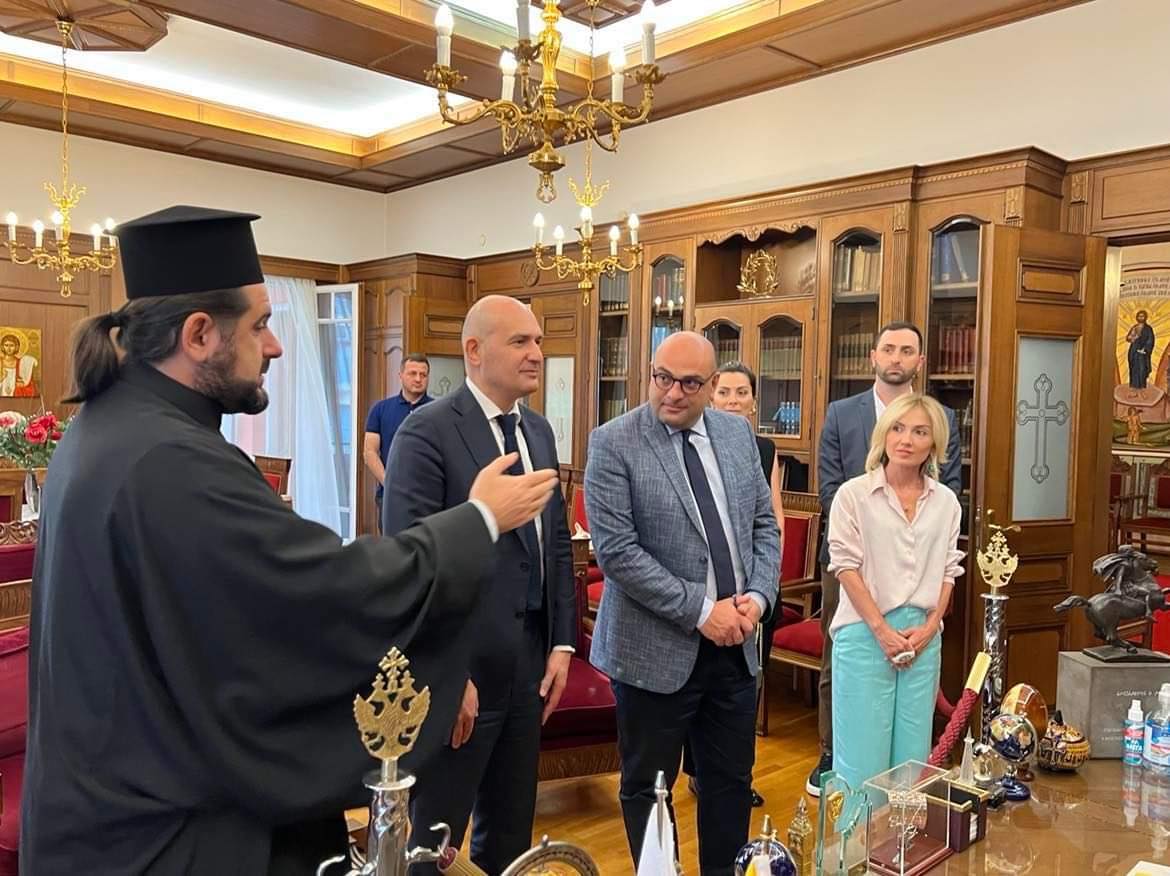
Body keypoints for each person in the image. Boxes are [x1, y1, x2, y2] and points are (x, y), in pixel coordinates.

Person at [19, 206, 560, 876]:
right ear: (198, 334)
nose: (275, 347)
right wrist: (478, 521)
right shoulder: (166, 459)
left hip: (126, 804)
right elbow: (320, 593)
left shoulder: (115, 429)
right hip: (164, 833)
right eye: (261, 325)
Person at [383, 295, 575, 875]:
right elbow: (409, 564)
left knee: (511, 833)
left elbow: (556, 543)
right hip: (462, 670)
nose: (536, 353)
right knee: (435, 841)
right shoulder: (425, 433)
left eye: (538, 341)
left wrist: (562, 643)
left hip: (529, 665)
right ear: (474, 350)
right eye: (520, 342)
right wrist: (446, 673)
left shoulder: (537, 431)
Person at [585, 332, 779, 876]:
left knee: (730, 783)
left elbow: (764, 527)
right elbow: (619, 555)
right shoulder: (613, 442)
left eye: (690, 383)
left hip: (736, 646)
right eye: (662, 378)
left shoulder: (736, 435)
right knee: (649, 788)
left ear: (713, 386)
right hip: (653, 652)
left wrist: (758, 598)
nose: (672, 392)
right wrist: (702, 612)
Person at [812, 321, 961, 797]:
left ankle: (903, 844)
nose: (907, 439)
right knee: (862, 764)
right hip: (865, 625)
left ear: (934, 441)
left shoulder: (946, 502)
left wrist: (930, 626)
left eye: (919, 432)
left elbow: (949, 568)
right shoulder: (854, 492)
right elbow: (844, 559)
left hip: (922, 636)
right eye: (897, 428)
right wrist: (880, 629)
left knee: (911, 764)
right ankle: (855, 843)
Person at [685, 361, 786, 808]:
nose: (732, 400)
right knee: (697, 682)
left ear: (753, 402)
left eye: (741, 393)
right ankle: (697, 771)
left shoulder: (762, 447)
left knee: (746, 682)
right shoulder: (692, 441)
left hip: (753, 589)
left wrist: (765, 584)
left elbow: (772, 516)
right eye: (724, 391)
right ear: (710, 396)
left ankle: (735, 774)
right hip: (704, 594)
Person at [364, 354, 433, 532]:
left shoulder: (438, 411)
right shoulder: (380, 409)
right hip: (389, 497)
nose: (418, 379)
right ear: (400, 375)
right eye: (412, 373)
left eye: (423, 375)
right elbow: (370, 452)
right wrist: (389, 483)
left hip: (428, 498)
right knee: (391, 546)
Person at [0, 330, 37, 397]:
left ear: (16, 347)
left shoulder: (22, 363)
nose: (9, 348)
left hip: (16, 397)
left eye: (12, 345)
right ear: (2, 346)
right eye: (6, 345)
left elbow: (30, 386)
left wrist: (22, 385)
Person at [1127, 310, 1155, 391]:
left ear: (1145, 317)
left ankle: (1142, 387)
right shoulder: (1134, 327)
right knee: (1133, 368)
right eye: (1139, 316)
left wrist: (1145, 349)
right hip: (1134, 351)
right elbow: (1128, 338)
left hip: (1142, 352)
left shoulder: (1148, 329)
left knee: (1142, 369)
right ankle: (1133, 386)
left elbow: (1150, 340)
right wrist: (1131, 337)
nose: (1141, 318)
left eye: (1142, 316)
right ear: (1137, 317)